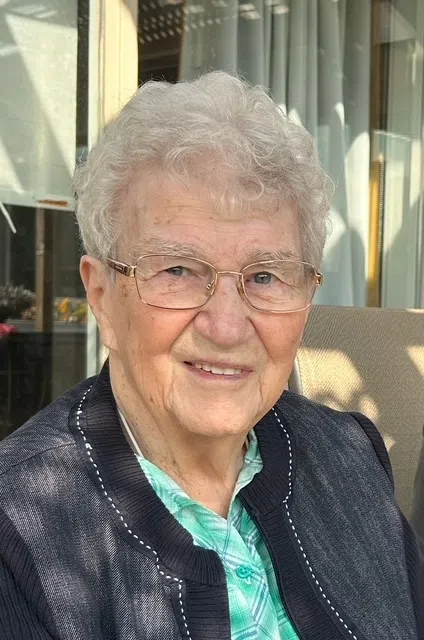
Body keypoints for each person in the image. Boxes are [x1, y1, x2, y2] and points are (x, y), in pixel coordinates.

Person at [0, 72, 422, 640]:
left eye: (266, 276)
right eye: (177, 270)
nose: (225, 327)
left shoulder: (349, 455)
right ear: (101, 295)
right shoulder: (19, 529)